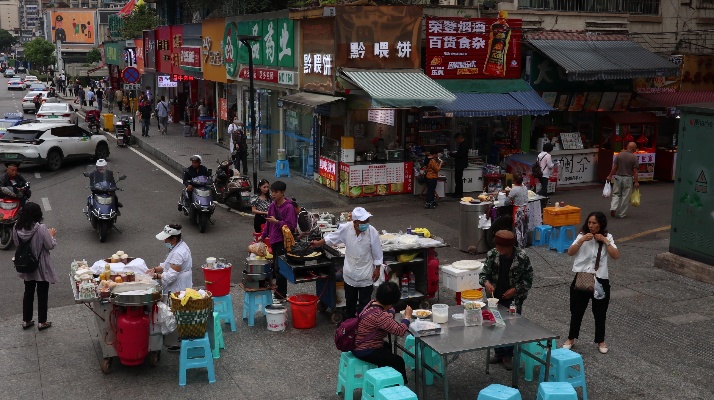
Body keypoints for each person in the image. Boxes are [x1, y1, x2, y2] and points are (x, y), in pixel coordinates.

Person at [311, 207, 383, 320]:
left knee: (365, 305)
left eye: (367, 221)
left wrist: (377, 268)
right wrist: (318, 243)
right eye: (362, 222)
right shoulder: (346, 228)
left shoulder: (371, 231)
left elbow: (377, 251)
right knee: (350, 303)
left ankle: (363, 327)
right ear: (354, 222)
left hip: (366, 274)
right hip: (350, 273)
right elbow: (333, 237)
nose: (365, 224)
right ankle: (349, 327)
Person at [563, 212, 620, 354]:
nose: (591, 226)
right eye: (589, 223)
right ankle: (571, 338)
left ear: (601, 224)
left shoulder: (608, 237)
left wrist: (605, 241)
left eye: (594, 223)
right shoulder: (581, 235)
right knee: (576, 310)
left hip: (600, 279)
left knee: (600, 312)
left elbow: (615, 255)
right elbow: (570, 252)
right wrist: (581, 240)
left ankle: (600, 340)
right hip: (582, 277)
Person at [480, 230, 534, 370]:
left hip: (514, 299)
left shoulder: (522, 257)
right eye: (497, 247)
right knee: (496, 324)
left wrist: (515, 289)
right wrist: (487, 283)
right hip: (495, 298)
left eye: (501, 248)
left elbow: (528, 279)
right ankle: (498, 353)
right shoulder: (492, 254)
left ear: (510, 247)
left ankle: (508, 355)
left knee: (511, 325)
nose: (498, 250)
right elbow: (483, 274)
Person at [352, 281, 413, 384]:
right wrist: (407, 316)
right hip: (364, 350)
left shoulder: (372, 303)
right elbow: (400, 330)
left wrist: (391, 311)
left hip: (357, 343)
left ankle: (386, 380)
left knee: (387, 348)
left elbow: (389, 312)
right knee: (398, 361)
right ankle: (400, 389)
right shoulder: (380, 315)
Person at [148, 223, 193, 351]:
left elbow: (171, 275)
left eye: (166, 239)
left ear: (173, 239)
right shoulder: (177, 247)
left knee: (176, 311)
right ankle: (175, 338)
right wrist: (156, 268)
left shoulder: (179, 252)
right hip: (178, 281)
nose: (164, 241)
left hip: (179, 284)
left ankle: (178, 342)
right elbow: (167, 263)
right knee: (175, 311)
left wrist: (157, 276)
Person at [14, 202, 57, 331]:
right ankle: (42, 322)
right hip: (41, 266)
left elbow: (17, 244)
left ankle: (27, 320)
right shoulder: (41, 228)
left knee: (28, 292)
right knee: (42, 293)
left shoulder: (16, 226)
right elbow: (50, 246)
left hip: (26, 265)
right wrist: (51, 235)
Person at [258, 181, 296, 302]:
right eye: (272, 192)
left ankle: (281, 295)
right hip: (274, 240)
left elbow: (291, 226)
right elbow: (268, 223)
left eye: (275, 192)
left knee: (280, 269)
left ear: (282, 192)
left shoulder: (289, 207)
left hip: (283, 242)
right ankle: (280, 294)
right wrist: (263, 236)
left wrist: (277, 222)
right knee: (276, 268)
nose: (273, 194)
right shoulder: (272, 206)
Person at [606, 141, 639, 219]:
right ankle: (622, 214)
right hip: (628, 178)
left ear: (627, 146)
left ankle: (613, 208)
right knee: (625, 196)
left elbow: (614, 167)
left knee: (616, 194)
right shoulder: (634, 158)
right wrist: (636, 182)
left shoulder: (619, 155)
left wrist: (610, 176)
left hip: (618, 177)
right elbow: (635, 171)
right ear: (634, 148)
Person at [507, 172, 529, 248]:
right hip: (526, 210)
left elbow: (506, 202)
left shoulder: (514, 190)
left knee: (518, 231)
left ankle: (519, 248)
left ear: (514, 180)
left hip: (518, 212)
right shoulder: (525, 187)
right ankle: (524, 246)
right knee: (525, 229)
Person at [452, 133, 469, 198]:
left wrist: (452, 155)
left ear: (459, 138)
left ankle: (459, 193)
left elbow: (460, 155)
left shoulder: (463, 145)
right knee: (458, 178)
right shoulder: (463, 144)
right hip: (460, 163)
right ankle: (457, 192)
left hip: (460, 164)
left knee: (458, 179)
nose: (456, 141)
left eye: (456, 140)